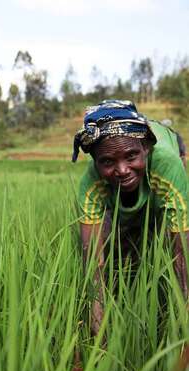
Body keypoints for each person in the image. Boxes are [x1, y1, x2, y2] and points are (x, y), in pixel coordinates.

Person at [72, 100, 188, 335]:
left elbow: (182, 258)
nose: (122, 169)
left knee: (162, 234)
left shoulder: (167, 166)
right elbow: (93, 266)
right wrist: (98, 338)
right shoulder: (91, 183)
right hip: (124, 193)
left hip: (170, 153)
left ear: (146, 148)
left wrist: (183, 326)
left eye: (131, 155)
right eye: (107, 161)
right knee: (117, 240)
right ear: (94, 161)